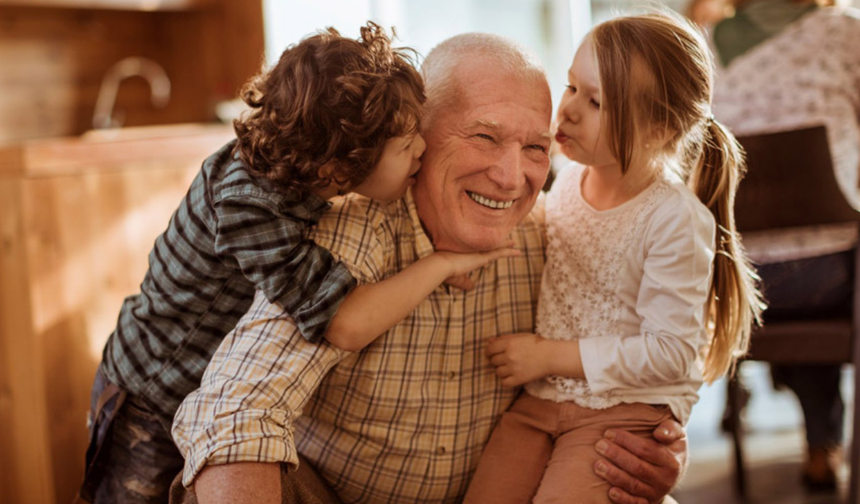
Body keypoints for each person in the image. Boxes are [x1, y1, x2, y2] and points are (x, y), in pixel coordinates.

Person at [170, 31, 690, 504]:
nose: (511, 178)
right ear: (417, 136)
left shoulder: (555, 238)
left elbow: (645, 354)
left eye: (535, 147)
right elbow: (235, 412)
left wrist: (654, 441)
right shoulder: (354, 232)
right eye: (484, 137)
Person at [77, 22, 511, 504]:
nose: (422, 150)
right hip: (151, 392)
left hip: (188, 387)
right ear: (340, 165)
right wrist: (441, 264)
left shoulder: (297, 171)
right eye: (407, 146)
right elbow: (346, 323)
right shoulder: (249, 205)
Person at [461, 12, 763, 504]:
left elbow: (669, 352)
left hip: (624, 413)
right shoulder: (565, 181)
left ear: (659, 128)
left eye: (596, 101)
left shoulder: (673, 218)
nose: (568, 110)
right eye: (571, 86)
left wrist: (546, 355)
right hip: (541, 402)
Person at [710, 0, 860, 491]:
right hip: (832, 277)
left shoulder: (702, 47)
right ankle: (823, 443)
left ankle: (820, 441)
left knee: (785, 259)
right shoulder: (846, 34)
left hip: (735, 280)